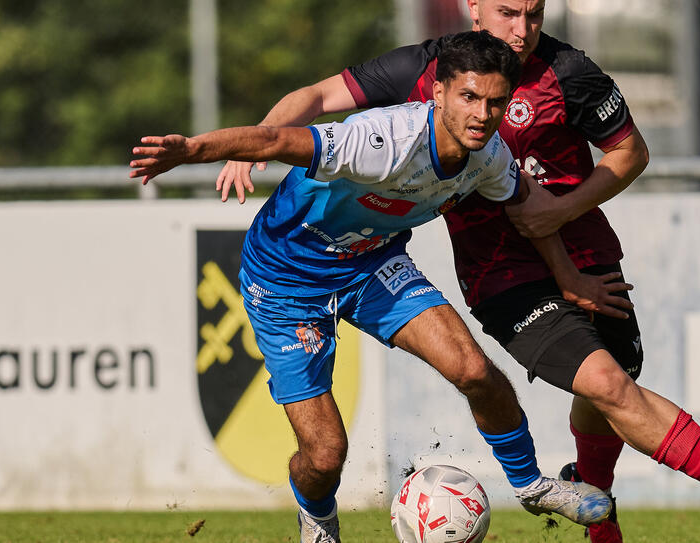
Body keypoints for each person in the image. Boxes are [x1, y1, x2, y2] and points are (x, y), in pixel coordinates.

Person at [213, 1, 700, 540]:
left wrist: (563, 219)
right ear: (471, 12)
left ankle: (573, 498)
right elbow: (306, 109)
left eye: (533, 14)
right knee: (327, 454)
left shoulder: (570, 75)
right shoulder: (414, 84)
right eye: (505, 12)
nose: (520, 31)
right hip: (478, 272)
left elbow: (625, 156)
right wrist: (238, 147)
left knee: (608, 383)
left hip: (560, 252)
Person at [130, 31, 615, 543]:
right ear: (439, 93)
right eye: (469, 97)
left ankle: (530, 484)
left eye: (495, 103)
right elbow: (275, 141)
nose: (481, 114)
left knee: (474, 371)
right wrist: (191, 148)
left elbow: (526, 210)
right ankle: (316, 516)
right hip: (285, 281)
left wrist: (568, 276)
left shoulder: (488, 157)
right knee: (325, 455)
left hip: (370, 265)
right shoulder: (382, 142)